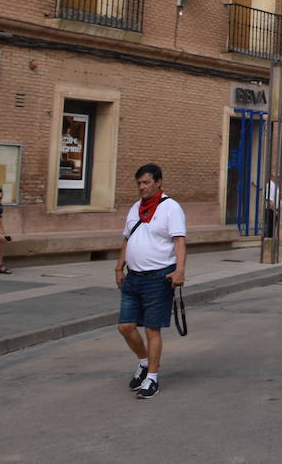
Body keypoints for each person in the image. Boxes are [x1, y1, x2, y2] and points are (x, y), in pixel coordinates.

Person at [115, 164, 186, 399]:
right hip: (133, 277)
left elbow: (179, 242)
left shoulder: (171, 208)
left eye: (145, 183)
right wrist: (119, 267)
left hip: (158, 277)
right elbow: (127, 239)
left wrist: (179, 271)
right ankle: (144, 362)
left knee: (152, 329)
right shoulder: (136, 208)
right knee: (125, 326)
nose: (141, 187)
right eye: (138, 183)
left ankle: (152, 378)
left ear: (158, 182)